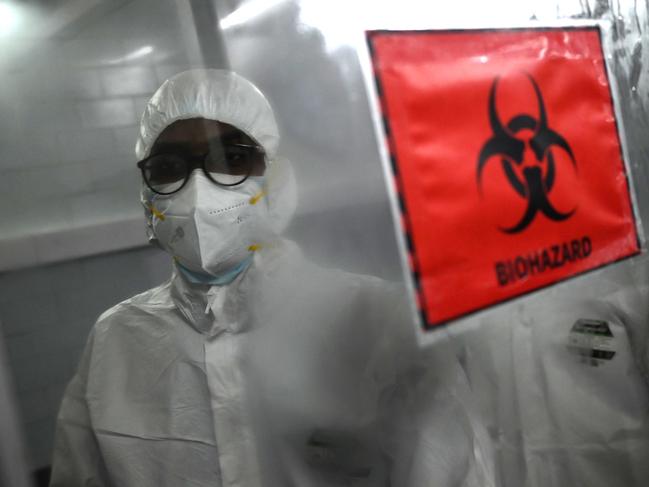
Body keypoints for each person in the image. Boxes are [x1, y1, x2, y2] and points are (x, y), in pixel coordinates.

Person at [49, 69, 494, 486]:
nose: (198, 188)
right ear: (147, 195)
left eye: (232, 158)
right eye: (169, 167)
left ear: (274, 181)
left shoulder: (374, 321)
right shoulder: (117, 341)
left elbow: (459, 470)